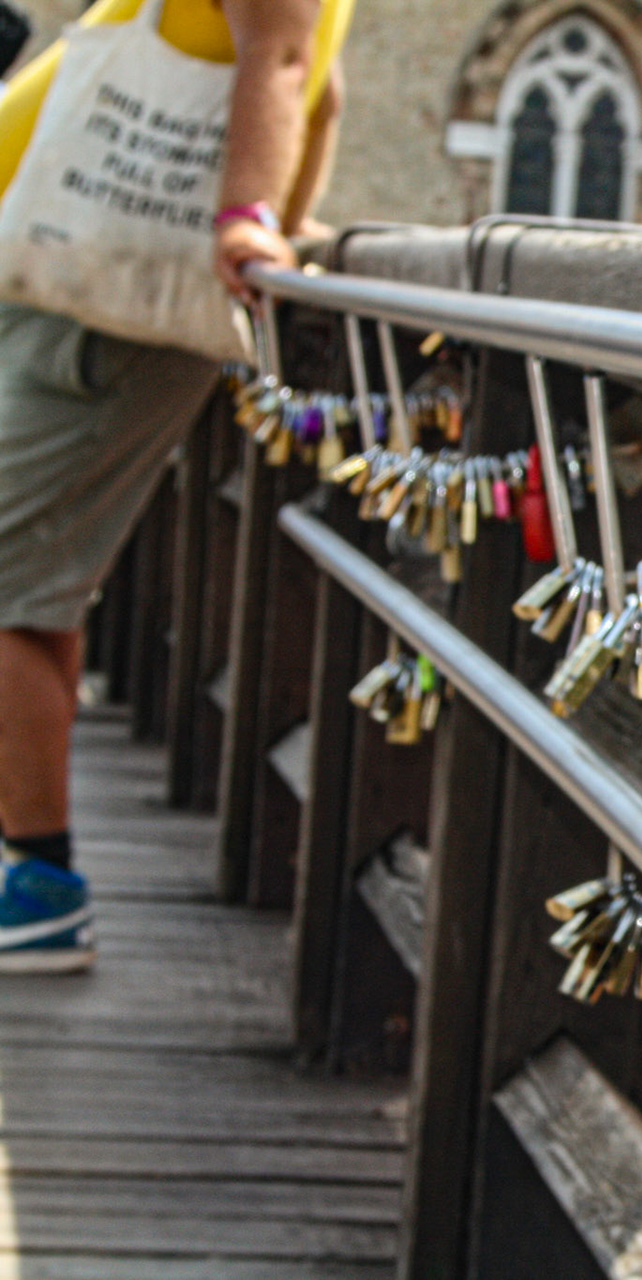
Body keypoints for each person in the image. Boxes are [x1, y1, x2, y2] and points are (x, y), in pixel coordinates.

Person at [0, 0, 351, 973]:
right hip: (62, 278)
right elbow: (322, 85)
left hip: (98, 289)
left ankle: (38, 883)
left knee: (8, 580)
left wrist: (248, 219)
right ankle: (25, 863)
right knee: (30, 584)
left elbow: (284, 65)